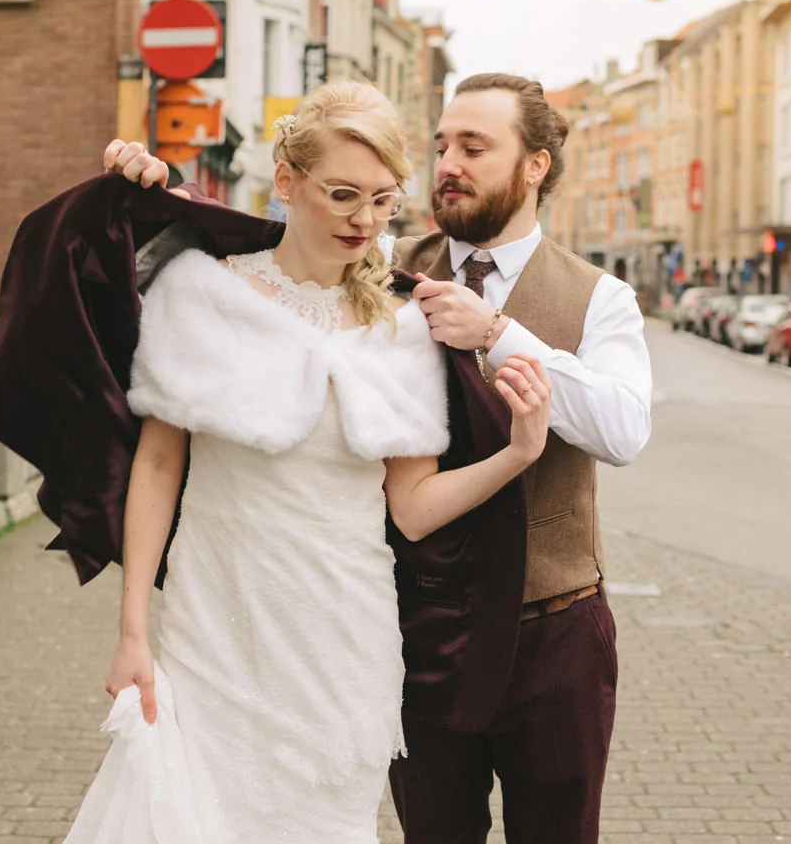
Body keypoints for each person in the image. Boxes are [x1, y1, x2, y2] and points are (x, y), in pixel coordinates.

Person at [0, 82, 557, 843]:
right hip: (214, 627)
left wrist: (520, 452)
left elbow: (412, 505)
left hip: (345, 643)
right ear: (287, 182)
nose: (365, 220)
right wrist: (131, 631)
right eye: (344, 194)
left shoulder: (406, 329)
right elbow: (156, 468)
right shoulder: (200, 294)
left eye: (384, 199)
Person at [110, 72, 653, 844]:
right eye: (440, 146)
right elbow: (269, 249)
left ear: (535, 165)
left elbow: (625, 429)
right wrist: (150, 196)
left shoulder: (599, 297)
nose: (449, 163)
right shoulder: (389, 265)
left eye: (474, 146)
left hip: (550, 627)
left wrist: (499, 334)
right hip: (415, 616)